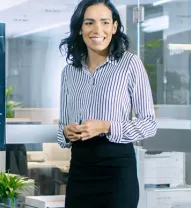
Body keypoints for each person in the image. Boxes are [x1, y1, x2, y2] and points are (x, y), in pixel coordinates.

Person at [57, 0, 157, 207]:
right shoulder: (69, 72)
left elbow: (149, 124)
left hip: (117, 171)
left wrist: (107, 126)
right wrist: (67, 133)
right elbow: (63, 126)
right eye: (89, 23)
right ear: (79, 29)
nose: (97, 30)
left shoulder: (130, 64)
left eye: (104, 22)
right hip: (80, 169)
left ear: (114, 27)